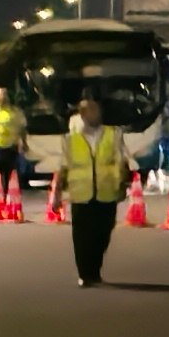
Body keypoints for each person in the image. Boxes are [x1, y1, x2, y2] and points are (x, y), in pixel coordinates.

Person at [61, 95, 127, 286]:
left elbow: (121, 160)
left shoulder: (113, 134)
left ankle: (94, 268)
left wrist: (122, 184)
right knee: (82, 236)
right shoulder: (70, 140)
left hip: (106, 191)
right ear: (82, 114)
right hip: (81, 193)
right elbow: (63, 167)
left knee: (103, 233)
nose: (97, 113)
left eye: (97, 110)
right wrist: (57, 193)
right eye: (92, 110)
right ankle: (85, 274)